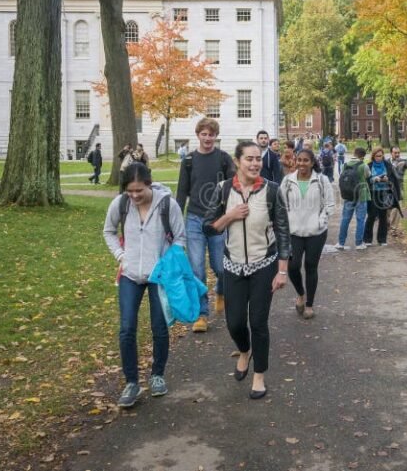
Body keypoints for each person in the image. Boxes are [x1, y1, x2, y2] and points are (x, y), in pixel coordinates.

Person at [202, 142, 290, 400]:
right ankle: (244, 351)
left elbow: (283, 231)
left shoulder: (272, 191)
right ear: (238, 161)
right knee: (235, 322)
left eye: (258, 159)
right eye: (249, 159)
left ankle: (259, 375)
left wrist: (282, 270)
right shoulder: (223, 190)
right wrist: (229, 216)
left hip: (264, 264)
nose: (254, 164)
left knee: (258, 322)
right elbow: (208, 227)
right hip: (234, 266)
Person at [103, 163, 186, 408]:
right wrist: (121, 255)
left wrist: (168, 261)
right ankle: (131, 382)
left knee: (159, 328)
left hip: (158, 276)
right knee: (127, 328)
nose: (135, 196)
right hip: (129, 274)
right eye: (130, 191)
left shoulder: (168, 205)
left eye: (139, 190)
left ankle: (157, 375)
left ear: (149, 184)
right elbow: (108, 231)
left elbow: (181, 238)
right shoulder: (120, 204)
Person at [176, 118, 235, 333]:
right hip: (194, 219)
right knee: (197, 269)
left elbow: (234, 186)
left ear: (215, 136)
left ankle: (221, 289)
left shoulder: (224, 158)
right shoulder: (189, 160)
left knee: (220, 266)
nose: (208, 138)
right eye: (204, 134)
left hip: (218, 220)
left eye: (211, 134)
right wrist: (174, 220)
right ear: (198, 135)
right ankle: (201, 314)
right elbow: (182, 191)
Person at [279, 149, 335, 320]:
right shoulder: (288, 181)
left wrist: (321, 220)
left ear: (312, 163)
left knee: (311, 266)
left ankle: (309, 304)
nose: (302, 164)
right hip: (294, 232)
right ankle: (300, 294)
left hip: (315, 232)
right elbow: (280, 204)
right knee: (293, 266)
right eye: (299, 160)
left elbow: (330, 204)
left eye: (306, 161)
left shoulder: (321, 180)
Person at [364, 147, 401, 247]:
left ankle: (382, 239)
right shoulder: (369, 166)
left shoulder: (388, 165)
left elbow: (394, 180)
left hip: (384, 193)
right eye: (377, 156)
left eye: (381, 156)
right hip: (372, 193)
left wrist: (387, 179)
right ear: (373, 156)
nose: (379, 158)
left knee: (383, 217)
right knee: (371, 216)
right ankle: (367, 239)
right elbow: (365, 180)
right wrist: (373, 179)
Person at [336, 147, 371, 250]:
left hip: (348, 195)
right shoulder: (363, 166)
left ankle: (341, 243)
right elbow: (368, 175)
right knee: (360, 220)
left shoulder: (344, 165)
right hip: (361, 195)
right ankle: (359, 243)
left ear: (353, 153)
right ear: (363, 156)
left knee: (345, 219)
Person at [386, 146, 407, 233]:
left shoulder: (403, 162)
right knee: (387, 208)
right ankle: (387, 223)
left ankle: (393, 228)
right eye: (395, 153)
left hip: (399, 188)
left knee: (398, 208)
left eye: (398, 153)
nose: (397, 154)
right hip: (387, 188)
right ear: (391, 153)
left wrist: (406, 160)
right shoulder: (386, 162)